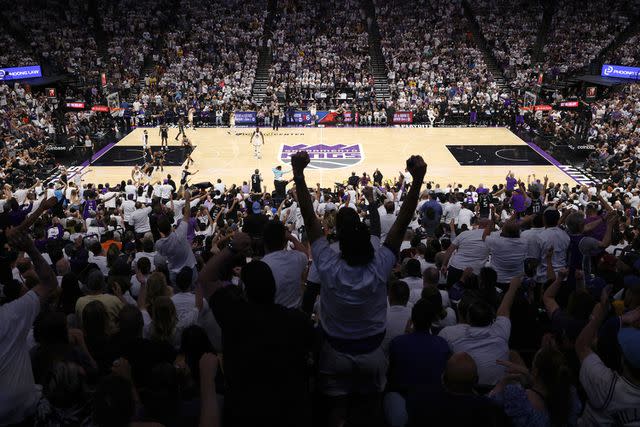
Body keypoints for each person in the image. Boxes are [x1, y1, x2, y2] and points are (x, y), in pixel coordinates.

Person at [291, 150, 427, 424]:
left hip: (334, 350)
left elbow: (309, 216)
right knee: (371, 409)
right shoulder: (381, 262)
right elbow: (401, 223)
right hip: (372, 352)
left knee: (337, 411)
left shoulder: (327, 262)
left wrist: (299, 174)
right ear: (366, 238)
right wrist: (418, 179)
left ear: (338, 239)